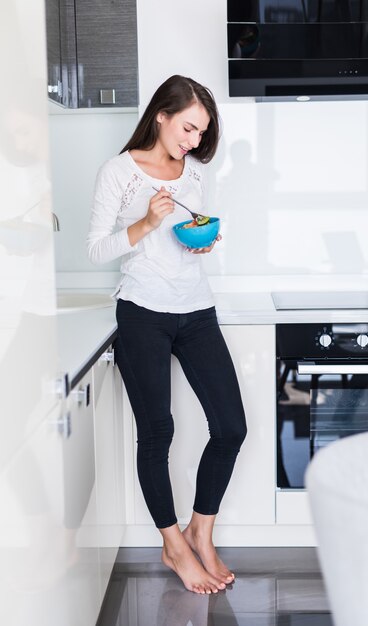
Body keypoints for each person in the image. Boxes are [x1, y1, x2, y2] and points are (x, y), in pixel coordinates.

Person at [87, 75, 247, 595]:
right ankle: (172, 544)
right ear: (161, 114)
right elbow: (95, 250)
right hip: (142, 312)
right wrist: (144, 224)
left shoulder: (196, 172)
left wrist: (205, 242)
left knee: (231, 427)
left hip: (195, 308)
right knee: (158, 431)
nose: (194, 141)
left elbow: (199, 231)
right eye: (188, 127)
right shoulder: (119, 172)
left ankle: (202, 529)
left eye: (201, 132)